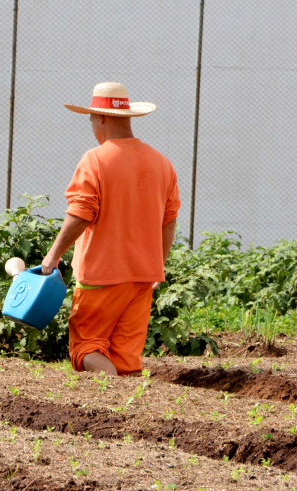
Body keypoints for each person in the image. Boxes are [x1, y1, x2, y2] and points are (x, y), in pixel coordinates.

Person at [41, 81, 180, 377]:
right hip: (143, 276)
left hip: (101, 275)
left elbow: (81, 212)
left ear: (101, 118)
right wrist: (159, 265)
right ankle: (126, 415)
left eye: (91, 117)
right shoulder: (162, 163)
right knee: (125, 361)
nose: (91, 124)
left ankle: (112, 402)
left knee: (87, 348)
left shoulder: (95, 159)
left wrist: (53, 256)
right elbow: (169, 220)